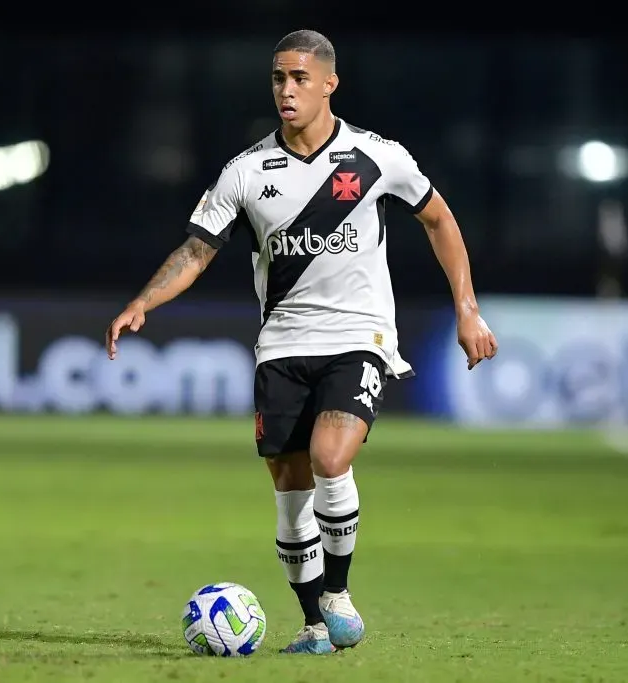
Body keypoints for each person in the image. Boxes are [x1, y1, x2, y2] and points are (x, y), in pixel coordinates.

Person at [104, 29, 498, 654]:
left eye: (299, 79)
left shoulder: (377, 158)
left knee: (330, 458)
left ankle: (336, 591)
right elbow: (197, 251)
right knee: (291, 496)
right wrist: (141, 303)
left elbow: (439, 219)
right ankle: (315, 625)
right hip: (282, 346)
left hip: (356, 337)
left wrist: (467, 311)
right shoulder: (245, 170)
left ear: (329, 84)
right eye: (278, 79)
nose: (287, 90)